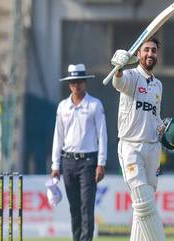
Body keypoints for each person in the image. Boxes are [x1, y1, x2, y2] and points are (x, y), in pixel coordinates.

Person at [110, 37, 167, 241]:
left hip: (152, 147)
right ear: (139, 54)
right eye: (146, 50)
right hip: (131, 147)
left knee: (143, 207)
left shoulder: (158, 85)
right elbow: (119, 82)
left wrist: (164, 128)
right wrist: (118, 67)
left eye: (153, 50)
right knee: (143, 201)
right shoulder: (131, 76)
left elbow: (155, 116)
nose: (150, 54)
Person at [50, 64, 107, 241]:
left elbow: (102, 134)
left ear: (85, 83)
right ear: (69, 84)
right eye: (73, 82)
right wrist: (55, 164)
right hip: (68, 162)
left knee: (86, 207)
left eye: (80, 81)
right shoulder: (63, 107)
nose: (77, 85)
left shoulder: (94, 105)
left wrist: (101, 163)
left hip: (88, 162)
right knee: (74, 207)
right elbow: (58, 137)